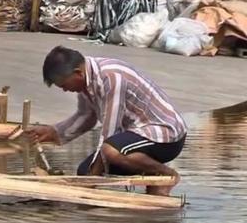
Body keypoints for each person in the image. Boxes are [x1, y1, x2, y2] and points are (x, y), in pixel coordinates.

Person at [26, 46, 187, 196]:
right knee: (84, 171)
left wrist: (90, 182)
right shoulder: (87, 81)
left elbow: (110, 132)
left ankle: (167, 173)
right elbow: (85, 117)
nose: (65, 89)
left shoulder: (112, 77)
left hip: (166, 134)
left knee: (111, 152)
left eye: (64, 85)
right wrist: (54, 131)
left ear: (78, 73)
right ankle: (155, 181)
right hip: (138, 135)